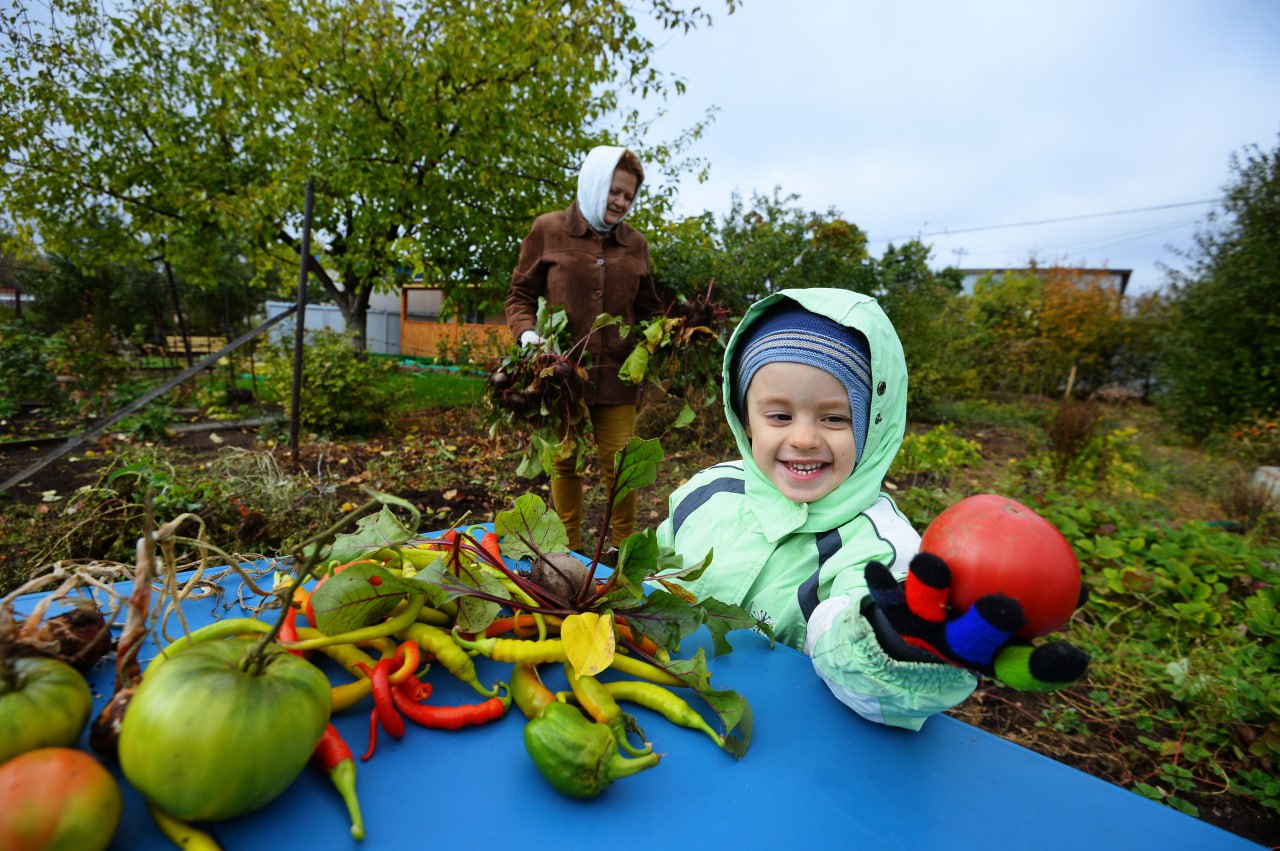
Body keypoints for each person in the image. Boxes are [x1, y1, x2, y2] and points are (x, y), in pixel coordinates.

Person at [655, 288, 1087, 730]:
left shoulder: (882, 549)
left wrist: (891, 647)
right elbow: (655, 572)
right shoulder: (708, 491)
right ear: (746, 419)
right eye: (779, 417)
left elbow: (849, 644)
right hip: (655, 696)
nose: (803, 438)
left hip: (786, 744)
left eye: (835, 418)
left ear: (872, 426)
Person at [505, 145, 663, 553]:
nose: (621, 202)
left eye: (628, 195)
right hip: (560, 377)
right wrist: (526, 336)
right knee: (563, 462)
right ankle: (567, 553)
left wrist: (659, 337)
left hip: (617, 377)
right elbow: (519, 295)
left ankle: (625, 554)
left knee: (622, 466)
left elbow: (649, 310)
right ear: (594, 183)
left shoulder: (636, 244)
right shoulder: (549, 229)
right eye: (614, 191)